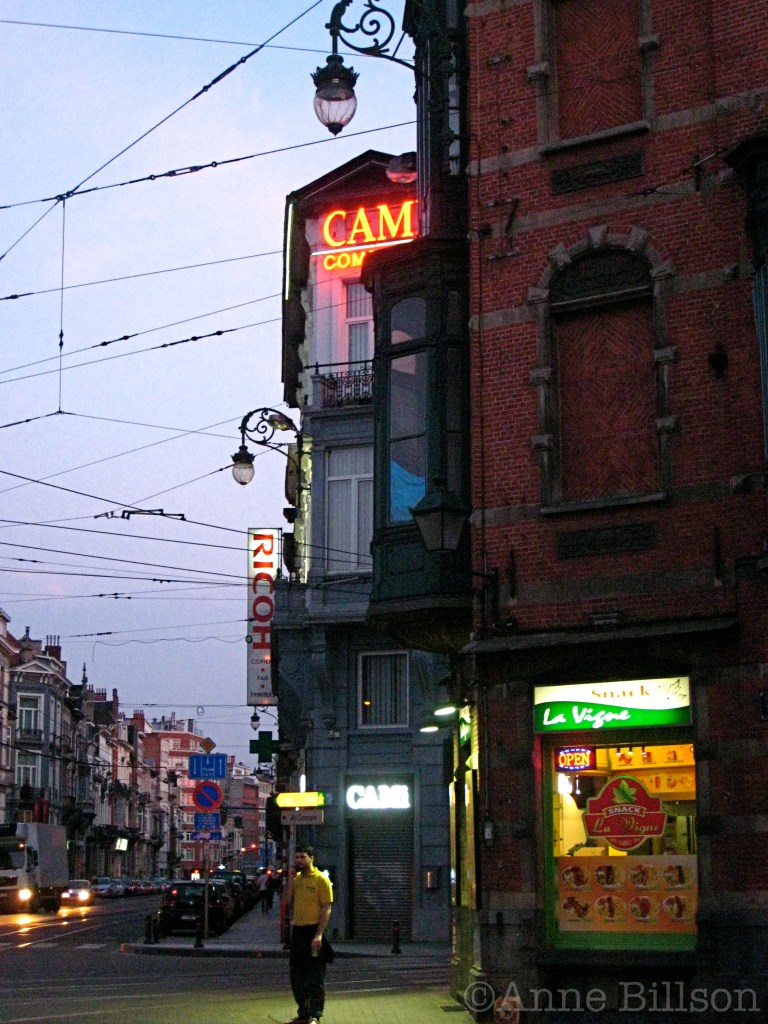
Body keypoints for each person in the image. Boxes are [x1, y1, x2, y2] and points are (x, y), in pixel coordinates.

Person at [281, 845, 333, 1024]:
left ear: (311, 858)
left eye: (302, 857)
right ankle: (303, 1012)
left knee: (315, 976)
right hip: (299, 932)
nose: (298, 861)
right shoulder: (296, 879)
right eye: (296, 858)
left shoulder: (321, 879)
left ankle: (315, 1015)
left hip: (313, 930)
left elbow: (327, 908)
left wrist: (318, 935)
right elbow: (286, 901)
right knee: (296, 975)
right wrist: (289, 881)